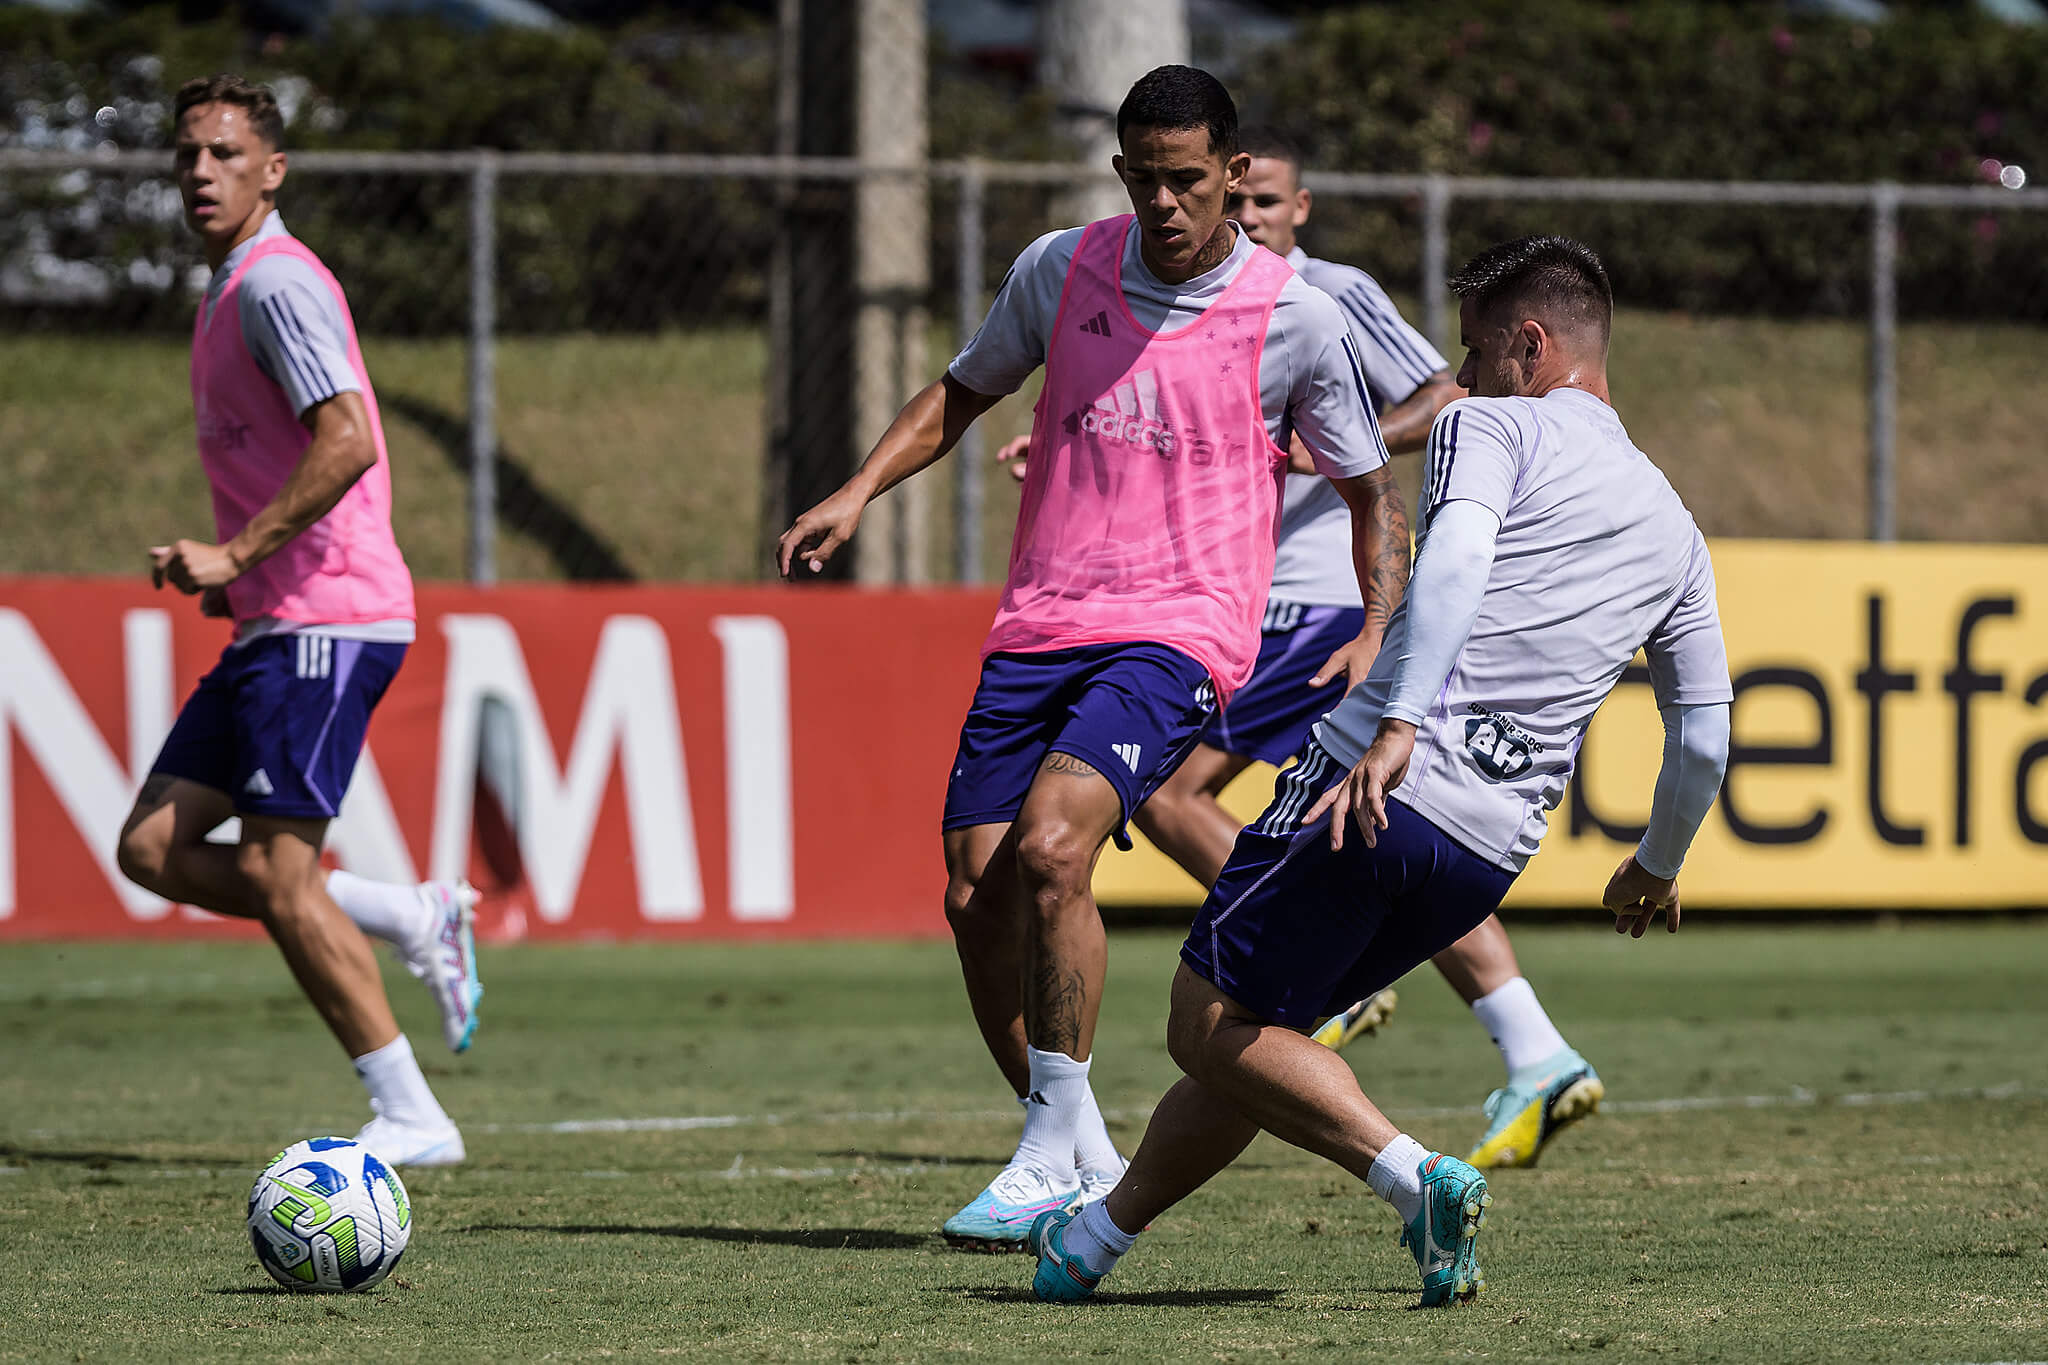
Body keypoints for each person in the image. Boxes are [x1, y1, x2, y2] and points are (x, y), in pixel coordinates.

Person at [1025, 235, 1733, 1307]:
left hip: (1373, 785)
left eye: (1476, 349)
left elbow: (1447, 561)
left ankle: (1412, 1180)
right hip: (1486, 851)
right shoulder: (1673, 527)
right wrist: (1655, 860)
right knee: (1259, 1035)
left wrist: (1396, 722)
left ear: (1529, 345)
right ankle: (1094, 1242)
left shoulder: (1488, 424)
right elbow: (1702, 729)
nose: (1462, 370)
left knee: (1203, 1025)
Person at [777, 66, 1408, 1248]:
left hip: (1181, 631)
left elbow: (1372, 492)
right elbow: (961, 394)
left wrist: (1374, 629)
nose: (1166, 202)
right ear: (1120, 173)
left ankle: (1037, 1147)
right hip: (1037, 623)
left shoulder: (1296, 319)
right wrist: (856, 489)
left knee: (1053, 845)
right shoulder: (1058, 268)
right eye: (1144, 178)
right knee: (977, 896)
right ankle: (1066, 1140)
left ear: (1232, 176)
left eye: (1188, 180)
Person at [1190, 125, 1609, 1170]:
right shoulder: (1200, 300)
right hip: (1241, 606)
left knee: (1179, 794)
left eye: (1267, 202)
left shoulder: (1330, 293)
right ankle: (1532, 1047)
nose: (1247, 218)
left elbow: (1445, 391)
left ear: (1302, 208)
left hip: (1322, 605)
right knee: (1387, 833)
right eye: (1235, 201)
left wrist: (1342, 448)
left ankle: (1327, 982)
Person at [113, 75, 480, 1167]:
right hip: (274, 617)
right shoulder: (230, 290)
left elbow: (349, 439)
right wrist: (239, 576)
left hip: (332, 617)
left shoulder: (275, 285)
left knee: (278, 873)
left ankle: (412, 1113)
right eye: (187, 154)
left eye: (225, 153)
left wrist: (236, 553)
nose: (201, 172)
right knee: (153, 846)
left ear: (272, 172)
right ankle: (410, 916)